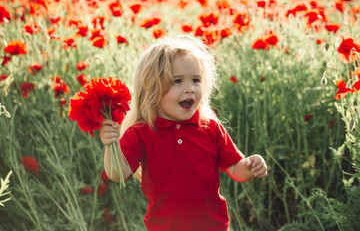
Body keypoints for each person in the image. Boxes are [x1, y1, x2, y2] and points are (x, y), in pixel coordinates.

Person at [99, 35, 267, 231]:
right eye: (177, 81)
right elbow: (118, 174)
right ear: (154, 88)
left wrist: (249, 166)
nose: (190, 89)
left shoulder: (210, 128)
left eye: (196, 80)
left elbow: (236, 169)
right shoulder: (142, 133)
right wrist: (111, 145)